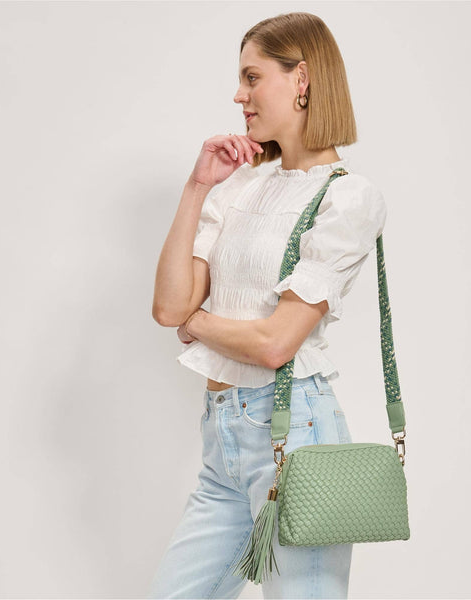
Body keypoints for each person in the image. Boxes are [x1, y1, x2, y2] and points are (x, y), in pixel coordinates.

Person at [148, 11, 388, 600]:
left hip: (294, 436)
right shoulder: (240, 184)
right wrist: (197, 186)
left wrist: (198, 322)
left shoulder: (345, 198)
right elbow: (168, 306)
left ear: (301, 79)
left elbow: (276, 343)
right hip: (223, 442)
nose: (239, 95)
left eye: (252, 77)